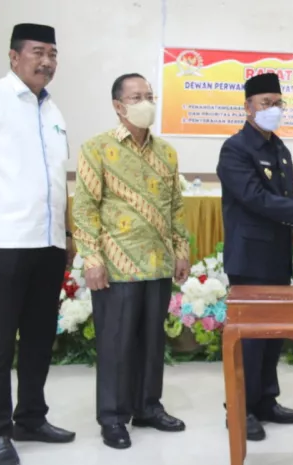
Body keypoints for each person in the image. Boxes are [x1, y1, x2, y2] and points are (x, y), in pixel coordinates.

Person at [72, 73, 191, 450]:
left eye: (150, 96)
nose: (146, 103)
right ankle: (112, 416)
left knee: (152, 342)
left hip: (157, 263)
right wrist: (92, 259)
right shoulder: (97, 148)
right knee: (116, 343)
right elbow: (85, 208)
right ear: (118, 106)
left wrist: (182, 250)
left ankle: (147, 407)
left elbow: (175, 206)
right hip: (116, 265)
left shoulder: (166, 152)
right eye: (136, 97)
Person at [0, 23, 76, 465]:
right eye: (38, 52)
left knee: (38, 338)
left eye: (52, 53)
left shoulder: (53, 111)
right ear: (14, 56)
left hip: (47, 244)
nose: (47, 61)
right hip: (3, 244)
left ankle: (31, 417)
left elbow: (57, 178)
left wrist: (66, 235)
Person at [217, 72, 293, 441]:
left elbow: (277, 195)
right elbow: (255, 197)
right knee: (250, 339)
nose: (273, 109)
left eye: (278, 102)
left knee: (272, 335)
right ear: (248, 107)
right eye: (266, 103)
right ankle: (241, 408)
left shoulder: (279, 148)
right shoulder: (235, 149)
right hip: (250, 259)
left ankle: (266, 400)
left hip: (277, 256)